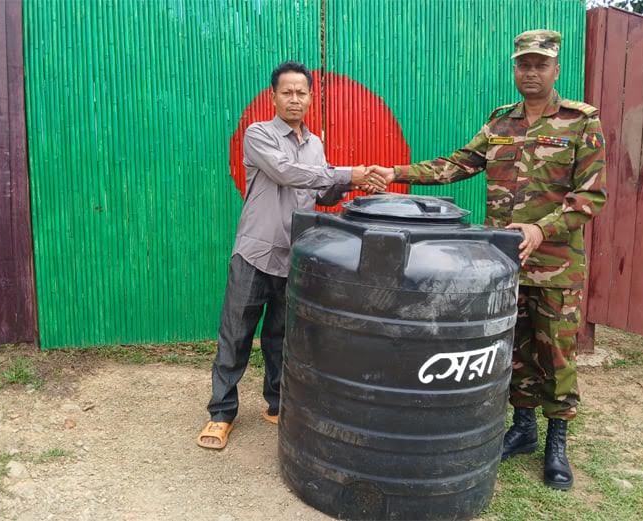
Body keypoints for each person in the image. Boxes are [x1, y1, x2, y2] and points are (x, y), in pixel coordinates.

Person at [365, 30, 607, 490]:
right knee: (511, 347)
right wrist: (397, 173)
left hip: (556, 266)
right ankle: (523, 427)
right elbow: (456, 164)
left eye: (540, 64)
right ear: (515, 69)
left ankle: (557, 441)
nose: (531, 72)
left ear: (557, 69)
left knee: (556, 353)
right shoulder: (500, 122)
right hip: (503, 263)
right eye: (523, 64)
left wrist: (541, 228)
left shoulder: (581, 122)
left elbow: (591, 196)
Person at [197, 61, 384, 450]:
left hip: (296, 255)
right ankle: (221, 413)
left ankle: (277, 403)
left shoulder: (315, 143)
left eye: (301, 92)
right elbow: (287, 173)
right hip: (255, 252)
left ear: (311, 97)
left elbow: (320, 191)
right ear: (274, 96)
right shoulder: (259, 134)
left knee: (282, 337)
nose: (295, 98)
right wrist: (346, 173)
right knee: (236, 334)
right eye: (287, 92)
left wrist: (355, 184)